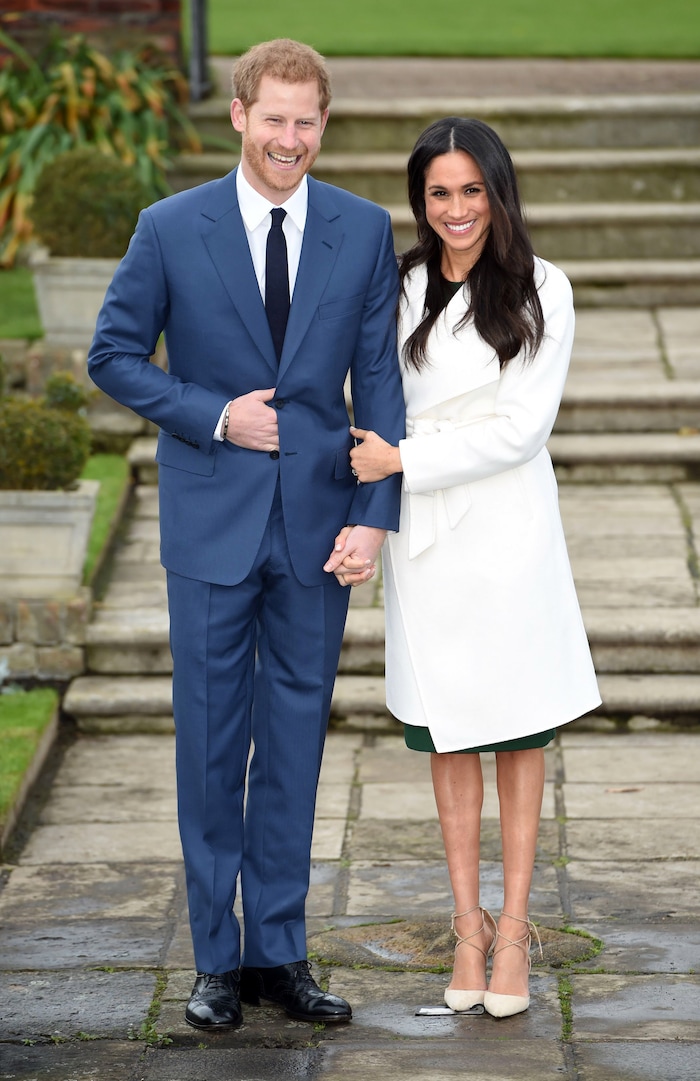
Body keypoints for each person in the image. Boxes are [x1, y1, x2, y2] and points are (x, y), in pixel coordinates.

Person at [87, 38, 404, 1030]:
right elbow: (112, 354)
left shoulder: (362, 229)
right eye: (273, 118)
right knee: (210, 742)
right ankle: (215, 961)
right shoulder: (169, 227)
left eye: (306, 121)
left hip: (318, 529)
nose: (289, 139)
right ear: (238, 116)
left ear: (324, 125)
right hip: (210, 524)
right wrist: (216, 415)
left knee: (297, 744)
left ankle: (278, 953)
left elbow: (379, 384)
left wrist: (374, 519)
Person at [347, 117, 601, 1019]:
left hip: (506, 527)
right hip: (427, 536)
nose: (456, 209)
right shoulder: (399, 285)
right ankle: (466, 926)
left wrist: (404, 458)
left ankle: (516, 929)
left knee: (519, 727)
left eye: (472, 190)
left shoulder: (543, 287)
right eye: (438, 193)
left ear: (498, 192)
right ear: (419, 200)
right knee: (446, 730)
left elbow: (521, 427)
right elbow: (371, 390)